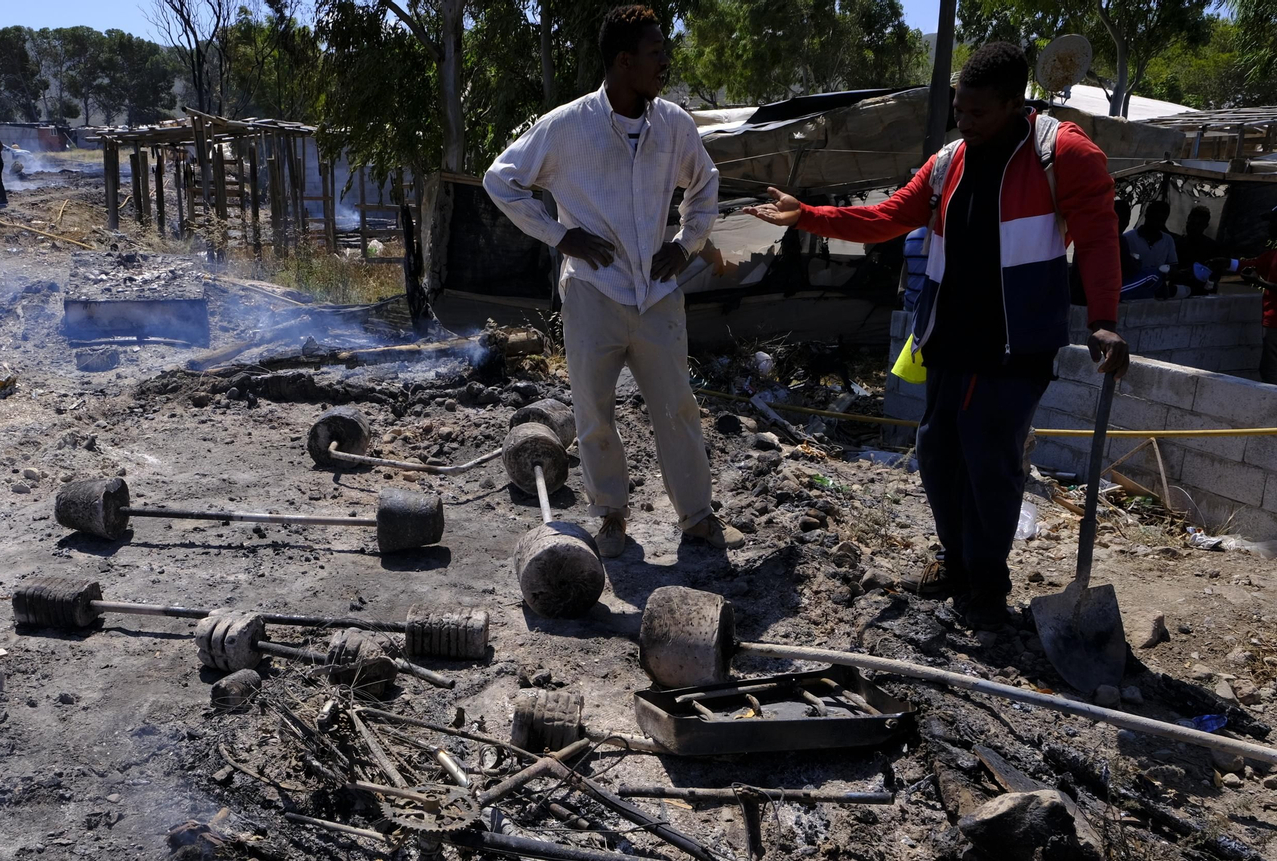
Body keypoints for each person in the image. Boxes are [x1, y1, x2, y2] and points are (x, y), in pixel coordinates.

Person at [745, 42, 1129, 628]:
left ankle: (987, 583)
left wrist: (1104, 319)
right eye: (958, 109)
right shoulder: (950, 161)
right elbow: (889, 216)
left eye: (977, 112)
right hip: (949, 334)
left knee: (989, 456)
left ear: (1013, 103)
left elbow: (1099, 236)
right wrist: (809, 216)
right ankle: (957, 562)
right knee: (937, 450)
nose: (963, 121)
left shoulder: (1062, 154)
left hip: (1016, 340)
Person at [483, 4, 744, 556]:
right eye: (655, 53)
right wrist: (560, 236)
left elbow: (705, 183)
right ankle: (611, 517)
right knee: (593, 414)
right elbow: (500, 179)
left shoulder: (672, 124)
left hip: (657, 293)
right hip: (592, 291)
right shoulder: (567, 126)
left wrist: (686, 244)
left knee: (677, 408)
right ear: (625, 61)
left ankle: (697, 517)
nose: (664, 63)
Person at [1238, 206, 1277, 384]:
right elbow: (1252, 264)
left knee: (1271, 373)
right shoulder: (1273, 255)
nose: (1269, 227)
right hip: (1272, 323)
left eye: (1273, 222)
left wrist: (1259, 282)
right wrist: (1226, 263)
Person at [1174, 204, 1236, 294]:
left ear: (1205, 226)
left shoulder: (1212, 247)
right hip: (1179, 290)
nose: (1193, 227)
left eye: (1198, 224)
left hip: (1202, 292)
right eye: (1192, 223)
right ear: (1187, 221)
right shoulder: (1177, 244)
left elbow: (1216, 274)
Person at [1124, 200, 1177, 285]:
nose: (1158, 223)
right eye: (1155, 219)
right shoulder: (1128, 238)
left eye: (1162, 220)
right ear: (1147, 216)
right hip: (1133, 287)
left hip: (1156, 287)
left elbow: (1173, 265)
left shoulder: (1168, 240)